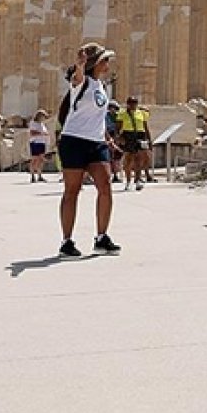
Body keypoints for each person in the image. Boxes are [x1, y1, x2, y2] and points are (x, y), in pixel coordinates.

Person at [56, 43, 121, 257]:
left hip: (96, 141)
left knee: (105, 186)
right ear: (95, 63)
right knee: (72, 191)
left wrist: (108, 140)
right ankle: (67, 240)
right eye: (104, 60)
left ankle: (101, 237)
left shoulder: (102, 86)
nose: (108, 64)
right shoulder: (80, 82)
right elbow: (77, 79)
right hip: (74, 140)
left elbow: (98, 117)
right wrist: (80, 66)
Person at [116, 96, 152, 191]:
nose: (133, 105)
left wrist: (149, 139)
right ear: (127, 104)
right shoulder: (122, 113)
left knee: (139, 159)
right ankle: (128, 181)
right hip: (128, 135)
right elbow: (118, 127)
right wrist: (119, 138)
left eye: (135, 103)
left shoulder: (142, 113)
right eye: (131, 103)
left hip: (140, 135)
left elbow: (145, 126)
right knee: (128, 159)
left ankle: (138, 180)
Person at [28, 110, 51, 183]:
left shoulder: (42, 124)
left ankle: (39, 175)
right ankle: (32, 175)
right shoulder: (33, 123)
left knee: (41, 160)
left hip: (42, 142)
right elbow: (32, 133)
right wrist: (42, 133)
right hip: (35, 142)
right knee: (34, 159)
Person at [105, 101, 124, 184]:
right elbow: (104, 128)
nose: (113, 110)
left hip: (117, 135)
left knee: (116, 156)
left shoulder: (118, 116)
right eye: (112, 108)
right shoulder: (105, 116)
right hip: (108, 135)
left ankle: (116, 174)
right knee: (109, 156)